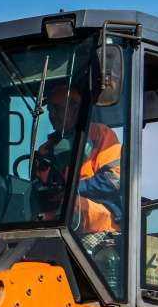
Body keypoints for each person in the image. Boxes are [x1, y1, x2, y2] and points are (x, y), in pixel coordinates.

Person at [30, 79, 123, 235]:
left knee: (70, 207)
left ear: (75, 109)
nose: (52, 115)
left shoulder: (100, 134)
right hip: (58, 215)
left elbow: (114, 181)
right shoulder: (46, 149)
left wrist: (72, 190)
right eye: (50, 110)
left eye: (57, 109)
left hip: (99, 213)